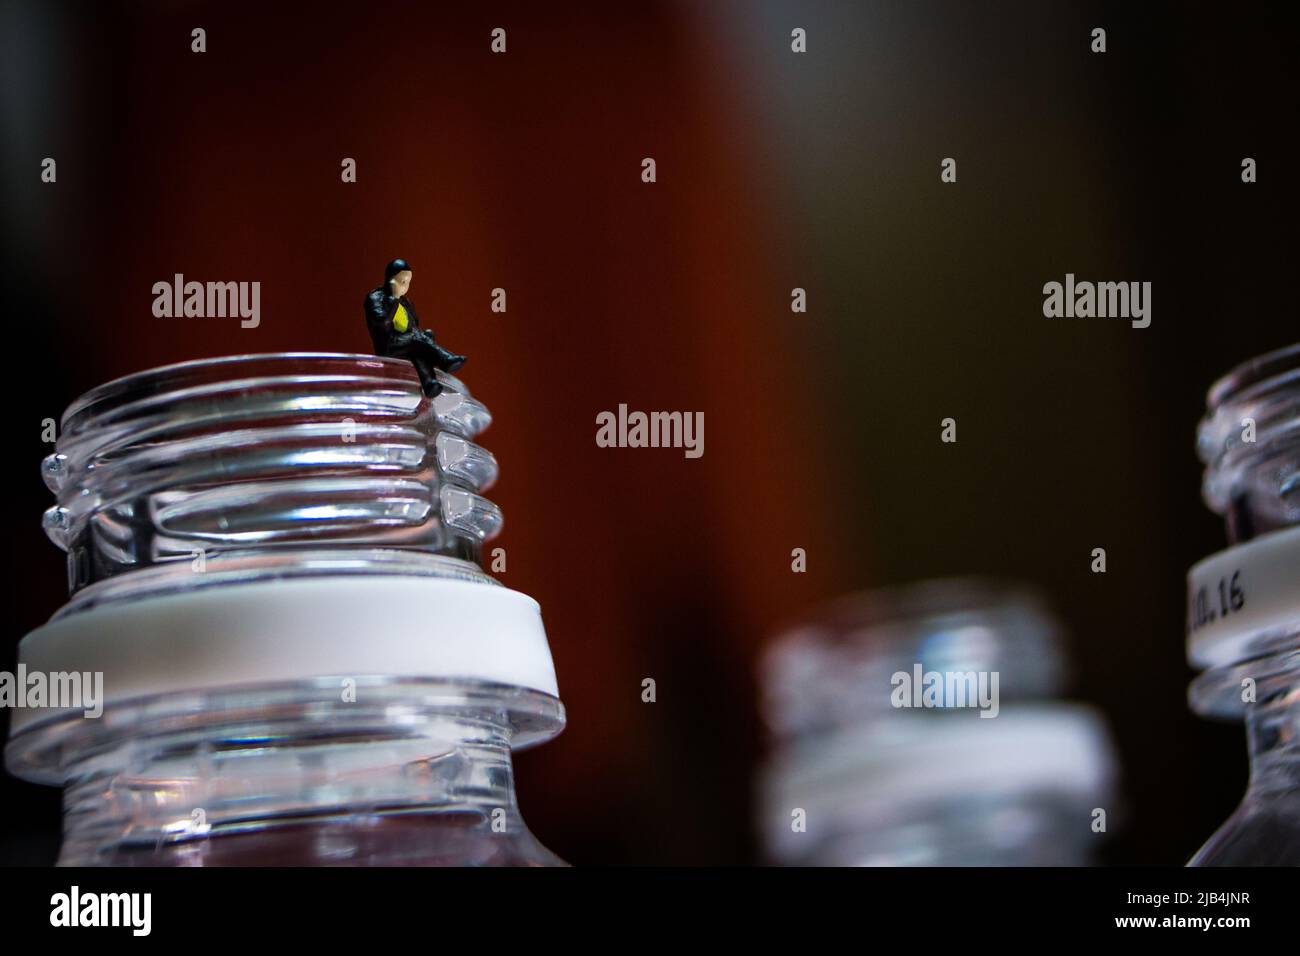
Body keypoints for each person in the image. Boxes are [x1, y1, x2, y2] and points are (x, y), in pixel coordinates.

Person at [364, 258, 466, 398]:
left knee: (421, 343)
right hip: (388, 345)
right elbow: (382, 323)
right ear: (390, 279)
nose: (405, 287)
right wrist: (393, 301)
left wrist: (422, 336)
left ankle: (429, 383)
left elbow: (414, 324)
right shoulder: (376, 297)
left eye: (408, 283)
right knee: (417, 340)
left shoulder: (406, 301)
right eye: (402, 282)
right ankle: (445, 359)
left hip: (406, 341)